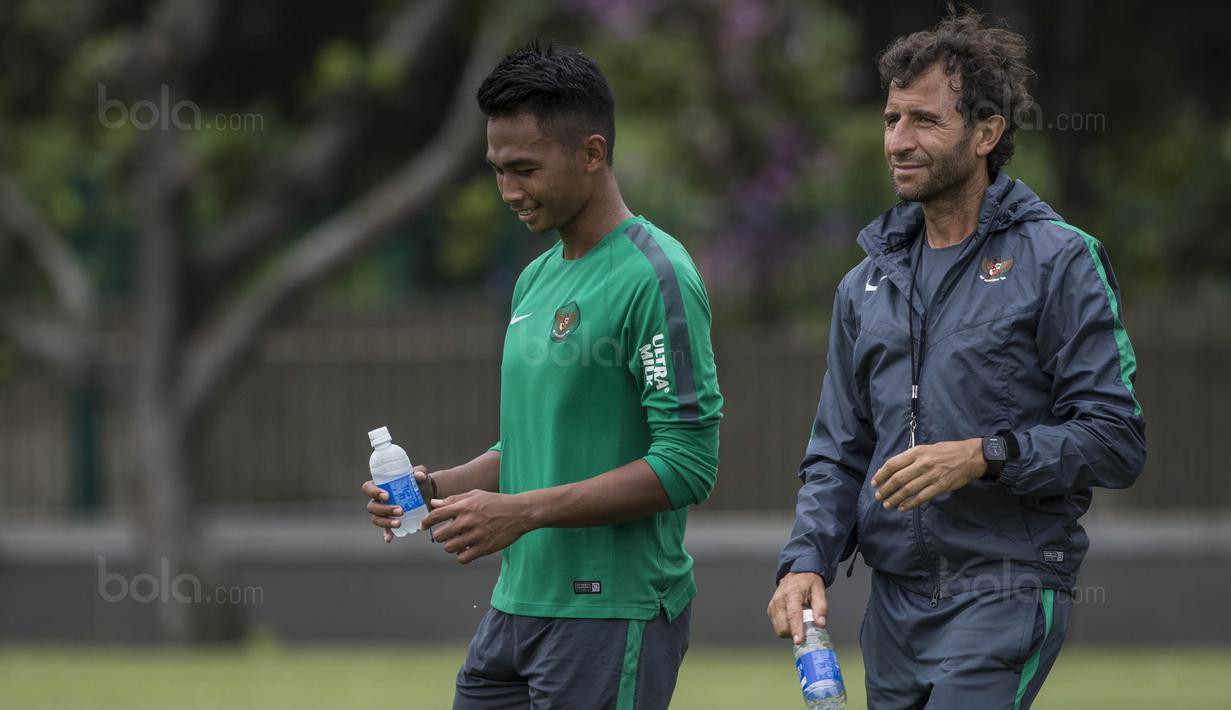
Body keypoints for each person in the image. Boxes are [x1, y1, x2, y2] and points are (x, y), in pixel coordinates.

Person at [767, 9, 1146, 709]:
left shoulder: (1059, 259)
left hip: (1004, 589)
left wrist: (983, 453)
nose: (898, 142)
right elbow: (837, 453)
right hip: (895, 608)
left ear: (984, 134)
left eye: (923, 121)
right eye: (890, 119)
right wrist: (804, 562)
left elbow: (1115, 439)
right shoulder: (864, 283)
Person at [362, 43, 722, 710]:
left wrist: (520, 514)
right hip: (513, 611)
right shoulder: (536, 276)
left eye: (524, 169)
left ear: (591, 153)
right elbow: (528, 451)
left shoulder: (656, 275)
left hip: (610, 614)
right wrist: (434, 488)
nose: (508, 192)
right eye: (497, 170)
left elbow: (687, 464)